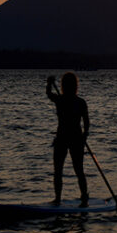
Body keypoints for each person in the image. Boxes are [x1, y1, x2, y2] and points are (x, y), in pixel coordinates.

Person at [46, 72, 89, 207]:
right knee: (72, 170)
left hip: (72, 139)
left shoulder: (67, 101)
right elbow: (87, 122)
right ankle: (75, 197)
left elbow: (86, 122)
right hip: (67, 139)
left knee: (65, 170)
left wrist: (49, 84)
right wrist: (85, 135)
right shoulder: (67, 100)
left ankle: (76, 197)